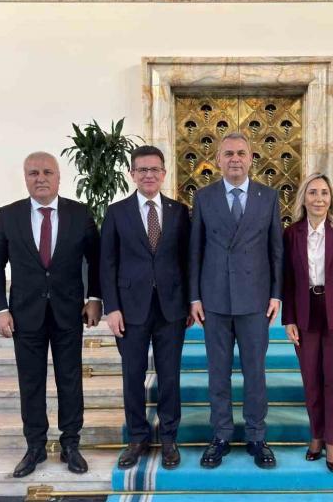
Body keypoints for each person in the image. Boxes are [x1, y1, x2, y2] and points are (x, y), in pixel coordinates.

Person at [0, 151, 102, 478]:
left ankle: (71, 444)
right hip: (25, 315)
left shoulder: (79, 213)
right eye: (33, 173)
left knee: (70, 380)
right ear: (25, 178)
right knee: (31, 382)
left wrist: (95, 298)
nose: (41, 178)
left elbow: (97, 259)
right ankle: (35, 446)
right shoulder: (8, 216)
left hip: (69, 312)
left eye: (47, 172)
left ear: (58, 177)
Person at [188, 132, 284, 470]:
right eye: (228, 153)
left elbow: (276, 250)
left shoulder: (268, 197)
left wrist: (276, 293)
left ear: (251, 158)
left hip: (255, 299)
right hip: (214, 299)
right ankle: (221, 435)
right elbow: (195, 250)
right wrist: (194, 296)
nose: (235, 159)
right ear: (217, 159)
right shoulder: (203, 197)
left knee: (255, 373)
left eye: (241, 153)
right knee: (218, 373)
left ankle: (257, 436)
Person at [100, 145, 191, 470]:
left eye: (154, 169)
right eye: (142, 170)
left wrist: (190, 302)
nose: (148, 175)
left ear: (164, 174)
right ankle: (137, 437)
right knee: (132, 376)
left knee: (169, 376)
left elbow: (187, 260)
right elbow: (107, 263)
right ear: (132, 174)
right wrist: (112, 307)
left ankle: (168, 438)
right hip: (130, 310)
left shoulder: (179, 212)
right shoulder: (116, 212)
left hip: (171, 309)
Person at [282, 173, 333, 473]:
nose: (319, 198)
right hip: (305, 312)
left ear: (331, 198)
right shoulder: (291, 233)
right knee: (311, 379)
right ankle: (316, 435)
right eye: (313, 192)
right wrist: (289, 319)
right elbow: (288, 280)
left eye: (324, 193)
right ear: (303, 198)